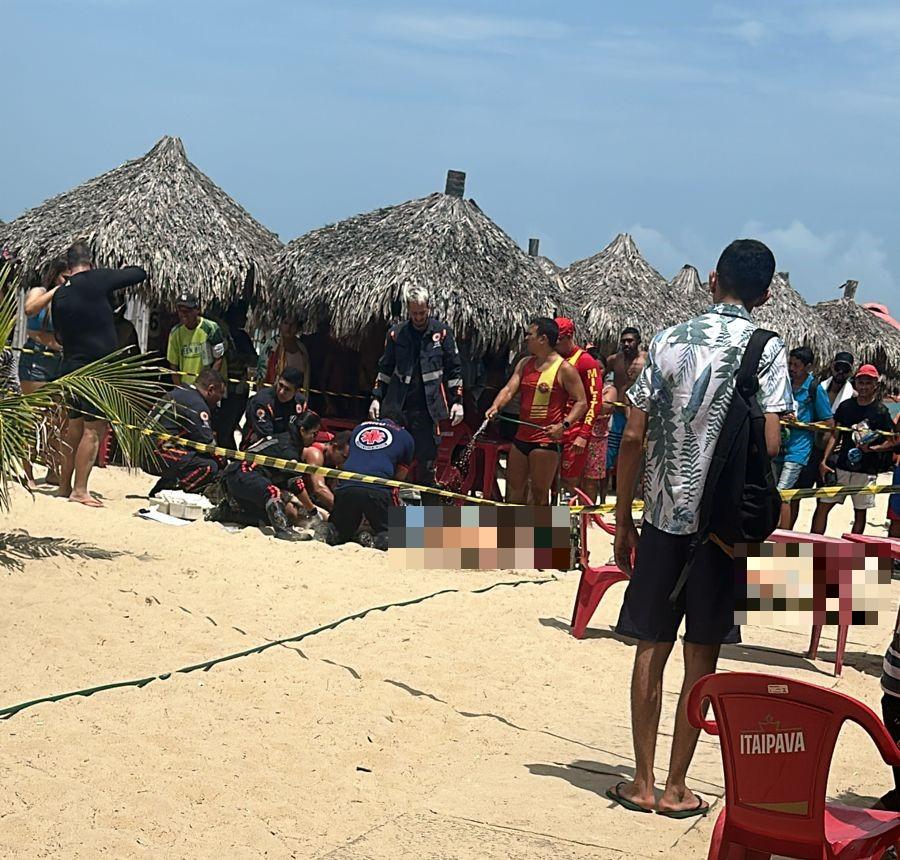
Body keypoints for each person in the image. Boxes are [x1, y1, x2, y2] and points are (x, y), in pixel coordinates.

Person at [610, 239, 791, 817]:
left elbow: (633, 436)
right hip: (721, 527)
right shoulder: (766, 346)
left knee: (650, 647)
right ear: (765, 294)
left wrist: (622, 519)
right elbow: (769, 441)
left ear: (713, 279)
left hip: (664, 516)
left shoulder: (666, 339)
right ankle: (676, 786)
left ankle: (639, 782)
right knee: (701, 656)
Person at [51, 243, 147, 507]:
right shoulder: (96, 279)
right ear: (90, 262)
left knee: (72, 429)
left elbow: (58, 334)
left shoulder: (60, 294)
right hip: (97, 369)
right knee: (93, 431)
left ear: (69, 266)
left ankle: (63, 485)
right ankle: (80, 490)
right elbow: (138, 274)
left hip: (69, 365)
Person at [369, 288, 464, 498]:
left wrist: (457, 401)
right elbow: (385, 368)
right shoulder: (396, 334)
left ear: (428, 308)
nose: (419, 318)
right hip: (397, 408)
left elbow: (454, 369)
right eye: (414, 314)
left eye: (422, 313)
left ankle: (424, 525)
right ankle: (385, 516)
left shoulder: (443, 333)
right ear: (408, 311)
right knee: (390, 459)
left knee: (426, 465)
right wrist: (376, 397)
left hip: (428, 410)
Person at [486, 317, 587, 505]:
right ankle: (512, 533)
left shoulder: (564, 369)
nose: (526, 338)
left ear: (543, 339)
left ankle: (539, 534)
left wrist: (563, 425)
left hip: (546, 441)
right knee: (513, 490)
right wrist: (495, 406)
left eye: (530, 334)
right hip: (521, 438)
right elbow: (509, 389)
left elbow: (582, 402)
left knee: (540, 494)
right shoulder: (524, 363)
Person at [811, 365, 896, 535]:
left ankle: (853, 551)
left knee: (859, 513)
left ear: (875, 386)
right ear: (855, 383)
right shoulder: (846, 406)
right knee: (823, 506)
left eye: (868, 383)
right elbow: (836, 435)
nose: (863, 386)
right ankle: (813, 546)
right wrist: (824, 460)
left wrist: (872, 449)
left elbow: (892, 440)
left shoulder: (881, 411)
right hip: (841, 466)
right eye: (860, 382)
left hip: (865, 472)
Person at [221, 411, 323, 542]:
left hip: (237, 474)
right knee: (273, 492)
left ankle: (228, 512)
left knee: (267, 516)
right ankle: (283, 530)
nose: (315, 438)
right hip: (242, 472)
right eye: (314, 434)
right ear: (302, 431)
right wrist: (313, 512)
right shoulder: (289, 450)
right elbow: (296, 485)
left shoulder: (286, 440)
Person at [328, 408, 415, 549]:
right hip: (378, 488)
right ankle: (379, 541)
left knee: (339, 530)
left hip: (347, 484)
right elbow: (398, 478)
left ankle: (328, 534)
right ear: (402, 425)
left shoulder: (359, 428)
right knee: (395, 532)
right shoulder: (406, 437)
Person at [19, 258, 68, 487]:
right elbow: (29, 310)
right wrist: (56, 291)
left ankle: (52, 469)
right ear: (54, 276)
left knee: (57, 421)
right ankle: (28, 473)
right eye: (64, 278)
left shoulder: (70, 298)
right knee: (33, 418)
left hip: (60, 360)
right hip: (36, 360)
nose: (68, 283)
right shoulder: (39, 291)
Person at [773, 346, 834, 529]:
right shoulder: (784, 384)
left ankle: (781, 538)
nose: (791, 368)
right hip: (778, 446)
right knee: (773, 494)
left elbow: (829, 423)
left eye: (796, 365)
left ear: (807, 367)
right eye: (790, 363)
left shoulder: (814, 388)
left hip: (798, 450)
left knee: (783, 494)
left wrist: (803, 425)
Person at [148, 369, 226, 496]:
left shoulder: (183, 392)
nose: (220, 399)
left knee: (192, 455)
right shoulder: (197, 405)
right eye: (220, 393)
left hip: (147, 447)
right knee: (209, 466)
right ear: (211, 390)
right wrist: (223, 462)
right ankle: (174, 490)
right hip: (154, 452)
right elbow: (208, 444)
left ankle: (170, 481)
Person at [793, 351, 855, 499]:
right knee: (796, 495)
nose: (840, 372)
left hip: (833, 454)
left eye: (845, 369)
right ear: (832, 367)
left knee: (823, 503)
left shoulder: (853, 398)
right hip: (809, 449)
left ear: (851, 372)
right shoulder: (816, 389)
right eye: (838, 366)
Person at [554, 317, 601, 495]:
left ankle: (567, 522)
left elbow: (595, 400)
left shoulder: (586, 361)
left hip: (574, 431)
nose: (555, 345)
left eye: (558, 341)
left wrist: (584, 434)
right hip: (552, 428)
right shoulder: (552, 359)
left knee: (569, 482)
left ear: (569, 337)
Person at [214, 303, 258, 449]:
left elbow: (253, 359)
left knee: (229, 428)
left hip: (239, 388)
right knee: (223, 430)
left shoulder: (242, 337)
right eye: (242, 316)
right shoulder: (222, 336)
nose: (245, 319)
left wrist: (240, 358)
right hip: (224, 389)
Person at [606, 328, 647, 480]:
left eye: (630, 340)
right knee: (610, 454)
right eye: (623, 341)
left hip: (638, 413)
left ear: (638, 342)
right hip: (617, 413)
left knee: (636, 452)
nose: (626, 344)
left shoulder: (647, 360)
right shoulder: (614, 360)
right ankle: (603, 497)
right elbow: (599, 374)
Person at [581, 351, 619, 505]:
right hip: (576, 435)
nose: (596, 371)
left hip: (596, 440)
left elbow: (604, 408)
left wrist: (580, 404)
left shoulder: (609, 390)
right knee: (573, 480)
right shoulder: (578, 386)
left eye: (600, 368)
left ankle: (588, 517)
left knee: (591, 481)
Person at [166, 292, 226, 386]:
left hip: (206, 388)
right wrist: (180, 389)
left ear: (197, 310)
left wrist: (207, 384)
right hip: (185, 387)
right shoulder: (175, 333)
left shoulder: (211, 328)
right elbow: (173, 366)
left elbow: (218, 359)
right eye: (180, 311)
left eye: (187, 311)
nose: (183, 314)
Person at [241, 367, 307, 448]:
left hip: (288, 444)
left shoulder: (300, 402)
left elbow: (304, 430)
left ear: (296, 391)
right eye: (280, 385)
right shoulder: (261, 401)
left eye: (287, 389)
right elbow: (266, 436)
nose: (281, 391)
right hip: (259, 445)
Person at [300, 430, 351, 511]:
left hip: (312, 499)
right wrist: (344, 511)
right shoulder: (315, 453)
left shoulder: (334, 462)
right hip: (297, 497)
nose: (346, 462)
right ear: (334, 447)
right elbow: (319, 489)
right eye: (344, 457)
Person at [257, 319, 310, 389]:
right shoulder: (271, 345)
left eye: (293, 324)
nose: (289, 327)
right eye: (286, 323)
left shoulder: (302, 348)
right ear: (280, 325)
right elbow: (262, 372)